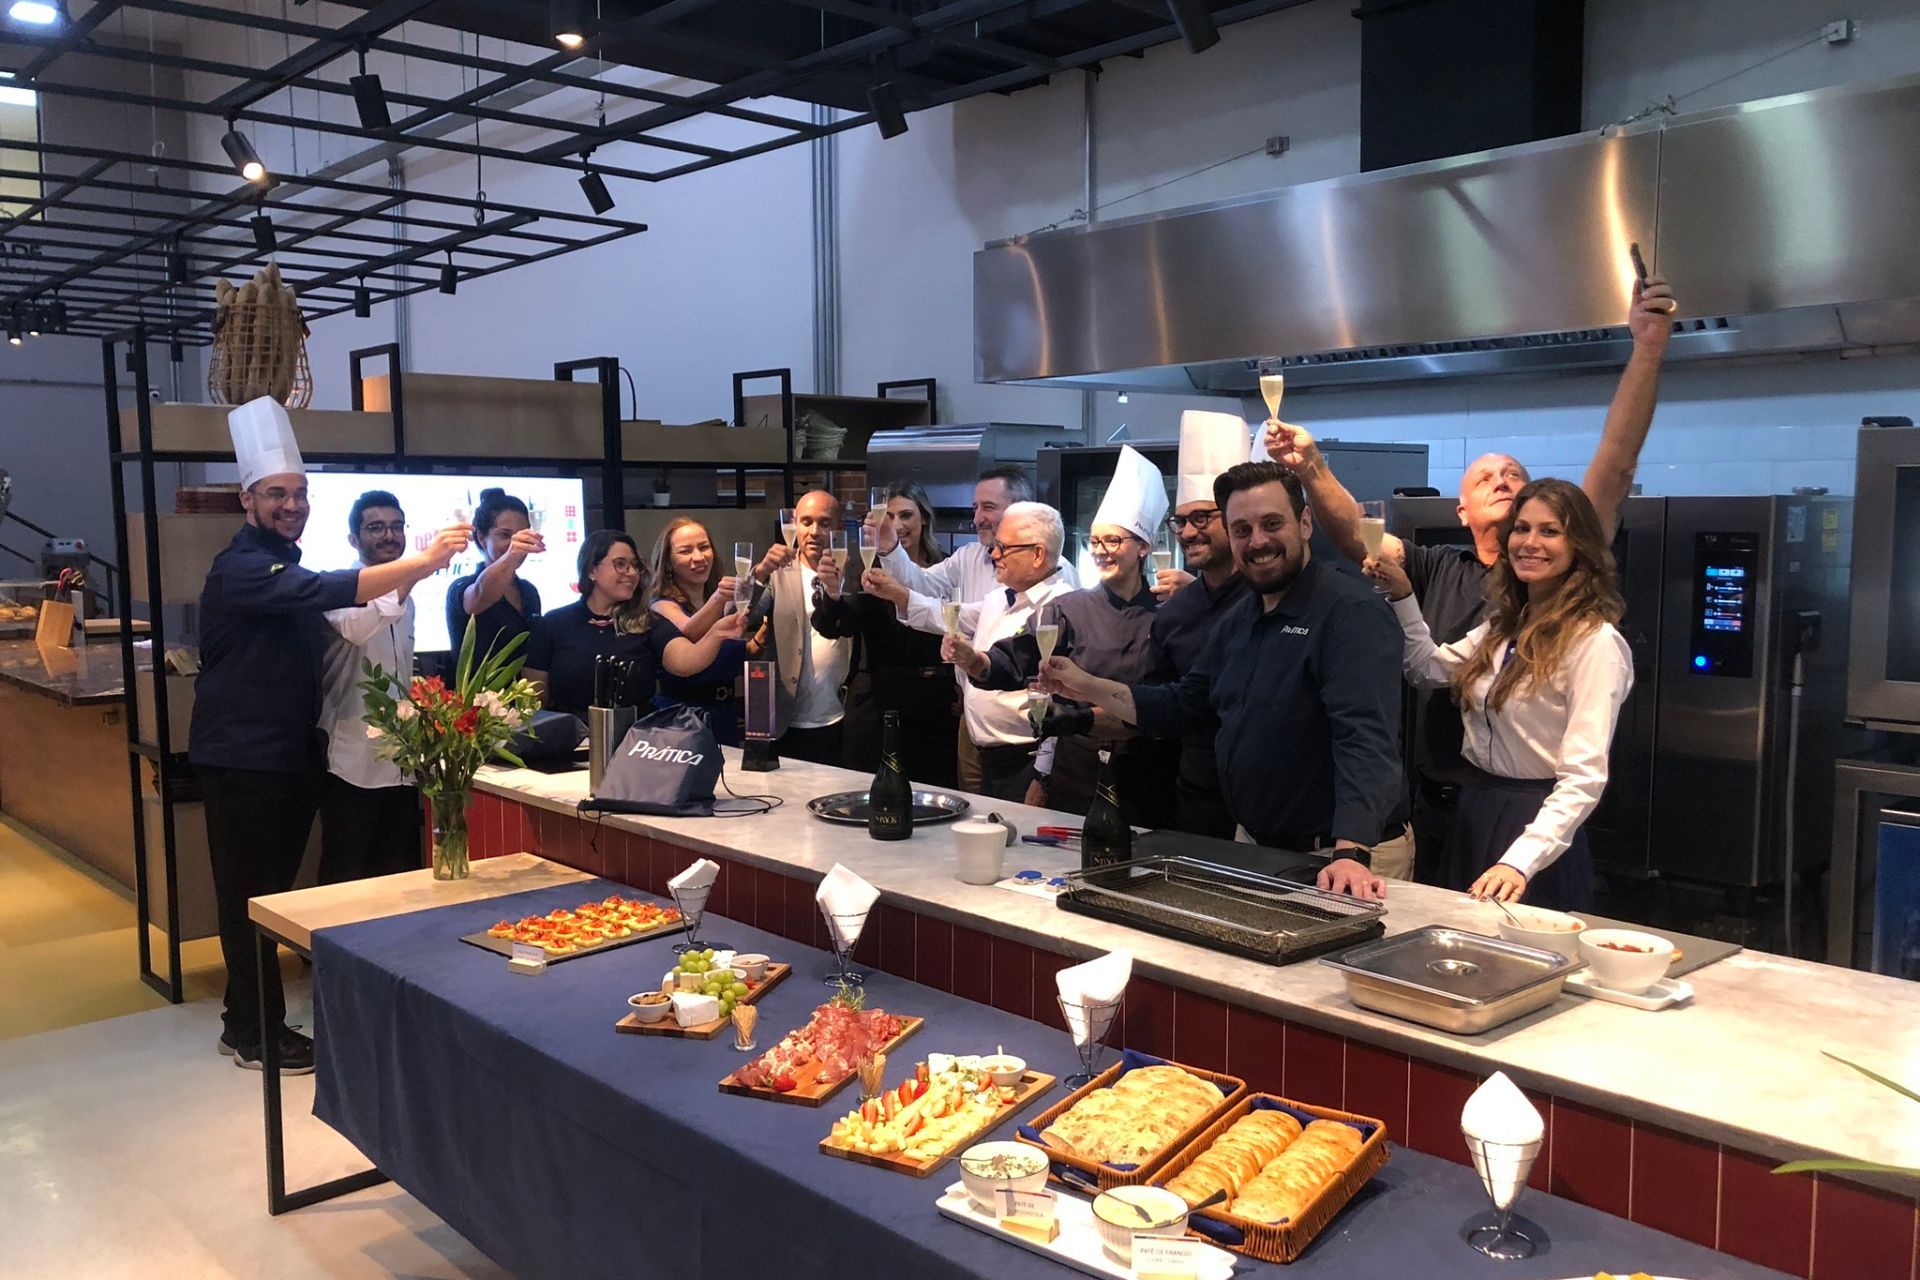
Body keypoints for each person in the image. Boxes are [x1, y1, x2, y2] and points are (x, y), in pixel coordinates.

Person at [1268, 273, 1678, 884]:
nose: (1507, 487)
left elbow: (1615, 466)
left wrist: (1647, 348)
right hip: (1444, 811)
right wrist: (1312, 466)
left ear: (1571, 535)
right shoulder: (1463, 586)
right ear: (1464, 515)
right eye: (1488, 480)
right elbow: (1360, 537)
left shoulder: (1588, 637)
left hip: (1534, 826)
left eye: (1543, 520)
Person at [190, 399, 468, 1073]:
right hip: (246, 762)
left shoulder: (281, 558)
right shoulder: (244, 567)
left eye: (300, 494)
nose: (292, 505)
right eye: (277, 494)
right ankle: (256, 1033)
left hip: (286, 760)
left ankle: (243, 1022)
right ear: (247, 498)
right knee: (252, 899)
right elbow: (334, 591)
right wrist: (426, 560)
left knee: (273, 898)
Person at [1041, 463, 1408, 900]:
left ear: (1305, 522)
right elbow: (1186, 705)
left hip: (1343, 855)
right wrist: (1086, 684)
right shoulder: (1240, 619)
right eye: (1242, 529)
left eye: (1272, 524)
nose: (1257, 541)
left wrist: (1353, 850)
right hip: (1259, 843)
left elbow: (1365, 737)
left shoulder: (1350, 612)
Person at [1368, 478, 1632, 909]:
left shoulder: (1594, 643)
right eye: (1522, 529)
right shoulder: (1505, 627)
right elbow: (1425, 669)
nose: (1530, 542)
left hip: (1536, 828)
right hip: (1476, 811)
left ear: (1579, 546)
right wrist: (1403, 596)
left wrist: (1520, 862)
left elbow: (1584, 778)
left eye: (1550, 531)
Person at [946, 448, 1176, 822]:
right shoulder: (1069, 608)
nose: (1101, 552)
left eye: (1113, 542)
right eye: (1095, 542)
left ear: (1144, 547)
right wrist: (973, 659)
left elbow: (1160, 709)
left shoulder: (1166, 618)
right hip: (1076, 778)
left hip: (1144, 780)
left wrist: (1077, 716)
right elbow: (1014, 658)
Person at [866, 467, 1076, 791]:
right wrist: (891, 554)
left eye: (988, 507)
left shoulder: (1062, 588)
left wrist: (1044, 771)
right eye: (975, 507)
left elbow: (1049, 681)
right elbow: (934, 596)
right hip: (975, 728)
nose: (977, 518)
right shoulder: (983, 574)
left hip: (1026, 746)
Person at [1147, 410, 1256, 838]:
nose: (1188, 532)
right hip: (1197, 794)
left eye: (1202, 518)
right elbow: (1160, 701)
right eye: (1181, 521)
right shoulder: (1174, 613)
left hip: (1267, 799)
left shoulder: (1269, 599)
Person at [813, 483, 959, 787]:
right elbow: (835, 625)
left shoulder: (947, 568)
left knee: (935, 795)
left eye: (906, 515)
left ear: (925, 520)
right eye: (888, 516)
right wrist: (831, 592)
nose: (896, 525)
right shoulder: (866, 567)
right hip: (878, 702)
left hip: (935, 701)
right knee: (871, 794)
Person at [931, 502, 1076, 803]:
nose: (994, 554)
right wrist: (963, 653)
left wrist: (1042, 776)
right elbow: (938, 615)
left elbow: (1061, 698)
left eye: (1004, 547)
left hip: (1026, 760)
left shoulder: (1064, 606)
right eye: (996, 545)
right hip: (984, 755)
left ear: (1037, 554)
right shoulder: (999, 597)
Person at [318, 490, 423, 885]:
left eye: (396, 527)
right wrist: (412, 574)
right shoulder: (338, 587)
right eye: (376, 527)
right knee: (347, 869)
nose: (389, 536)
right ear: (353, 538)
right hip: (350, 757)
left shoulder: (407, 596)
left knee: (397, 871)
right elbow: (359, 629)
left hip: (401, 758)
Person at [748, 490, 854, 766]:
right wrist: (759, 574)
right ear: (795, 525)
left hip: (841, 716)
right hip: (783, 716)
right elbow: (743, 618)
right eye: (806, 522)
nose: (814, 531)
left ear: (839, 528)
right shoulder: (778, 572)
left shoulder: (855, 574)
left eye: (825, 523)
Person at [524, 530, 656, 720]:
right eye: (620, 564)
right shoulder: (554, 624)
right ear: (591, 570)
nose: (632, 572)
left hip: (636, 738)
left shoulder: (646, 622)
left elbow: (682, 661)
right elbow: (534, 702)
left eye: (635, 565)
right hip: (569, 737)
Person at [647, 517, 749, 745]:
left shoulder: (717, 600)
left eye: (704, 547)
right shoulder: (662, 604)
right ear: (669, 562)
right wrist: (720, 598)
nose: (699, 557)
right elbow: (689, 632)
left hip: (724, 715)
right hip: (682, 719)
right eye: (686, 551)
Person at [446, 488, 543, 663]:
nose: (516, 543)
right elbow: (480, 597)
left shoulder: (528, 591)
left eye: (522, 535)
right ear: (481, 538)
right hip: (474, 690)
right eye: (505, 535)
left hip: (523, 689)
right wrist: (511, 555)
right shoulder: (462, 586)